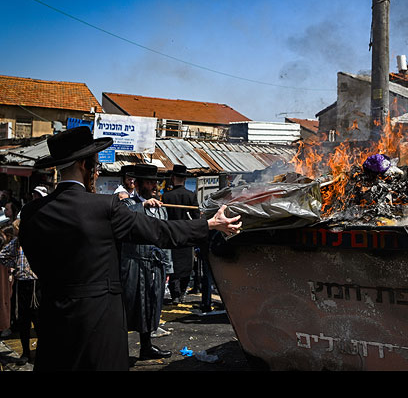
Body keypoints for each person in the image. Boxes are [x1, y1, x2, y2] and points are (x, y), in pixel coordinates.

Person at [18, 126, 241, 371]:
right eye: (96, 164)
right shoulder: (104, 207)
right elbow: (159, 232)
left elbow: (36, 261)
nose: (98, 170)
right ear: (85, 165)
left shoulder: (31, 213)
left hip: (53, 320)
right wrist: (209, 224)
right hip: (99, 320)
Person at [119, 163, 175, 360]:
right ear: (139, 184)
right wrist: (142, 205)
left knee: (151, 305)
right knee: (130, 307)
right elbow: (123, 218)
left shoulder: (161, 209)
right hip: (134, 264)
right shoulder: (128, 204)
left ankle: (146, 347)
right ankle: (119, 351)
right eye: (150, 183)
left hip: (155, 266)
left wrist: (168, 267)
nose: (154, 187)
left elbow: (166, 238)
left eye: (155, 183)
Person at [0, 217, 40, 366]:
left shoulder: (36, 242)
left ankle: (40, 352)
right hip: (22, 284)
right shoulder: (15, 244)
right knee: (23, 320)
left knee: (38, 319)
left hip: (35, 284)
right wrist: (13, 265)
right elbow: (2, 256)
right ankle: (25, 352)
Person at [162, 164, 198, 305]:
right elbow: (196, 218)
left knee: (173, 266)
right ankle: (182, 292)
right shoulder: (191, 196)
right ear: (184, 179)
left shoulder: (166, 196)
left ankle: (175, 295)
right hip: (187, 236)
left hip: (171, 235)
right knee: (186, 267)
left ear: (173, 178)